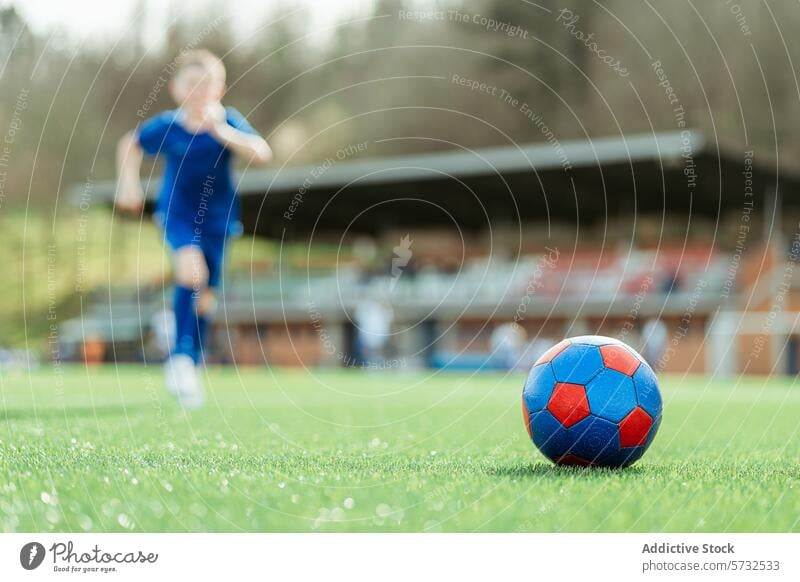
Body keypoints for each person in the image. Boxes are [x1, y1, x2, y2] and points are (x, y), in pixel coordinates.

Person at [115, 50, 272, 408]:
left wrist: (222, 131)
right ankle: (180, 358)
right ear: (177, 89)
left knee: (205, 297)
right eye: (191, 85)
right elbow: (130, 143)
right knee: (191, 271)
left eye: (207, 85)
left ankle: (190, 361)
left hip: (219, 220)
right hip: (178, 213)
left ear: (220, 89)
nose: (199, 92)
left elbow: (262, 153)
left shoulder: (229, 121)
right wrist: (128, 183)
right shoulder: (168, 125)